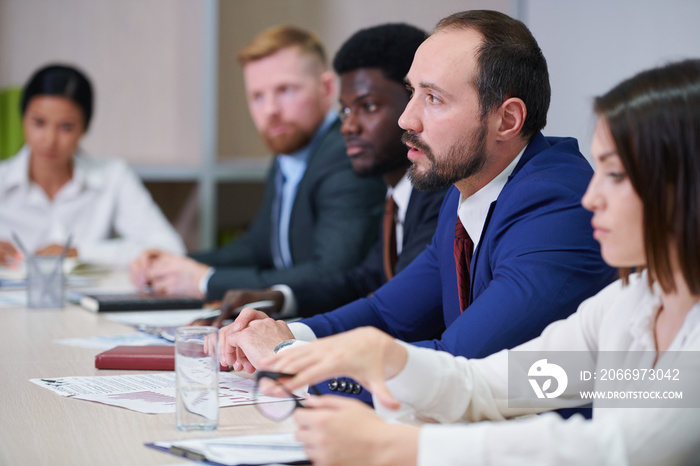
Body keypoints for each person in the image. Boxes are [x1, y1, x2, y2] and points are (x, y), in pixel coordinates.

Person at [260, 58, 700, 466]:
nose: (591, 197)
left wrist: (402, 448)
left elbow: (613, 448)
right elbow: (495, 386)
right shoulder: (632, 302)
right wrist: (387, 358)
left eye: (616, 175)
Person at [218, 10, 615, 374]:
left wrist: (288, 360)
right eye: (411, 93)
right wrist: (284, 333)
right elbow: (388, 313)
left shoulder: (558, 208)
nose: (407, 119)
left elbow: (457, 364)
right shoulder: (466, 192)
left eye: (434, 98)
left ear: (507, 120)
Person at [199, 23, 447, 326]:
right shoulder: (397, 196)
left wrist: (294, 338)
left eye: (368, 106)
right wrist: (279, 297)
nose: (348, 127)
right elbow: (362, 280)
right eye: (344, 112)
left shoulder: (439, 197)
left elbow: (399, 311)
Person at [129, 26, 386, 300]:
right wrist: (174, 263)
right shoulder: (287, 157)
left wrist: (205, 282)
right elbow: (257, 248)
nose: (271, 110)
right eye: (257, 96)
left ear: (327, 88)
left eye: (285, 90)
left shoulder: (345, 156)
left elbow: (331, 273)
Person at [0, 64, 184, 267]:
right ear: (23, 120)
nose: (49, 140)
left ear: (84, 129)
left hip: (94, 298)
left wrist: (81, 252)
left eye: (66, 127)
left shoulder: (113, 176)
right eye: (39, 123)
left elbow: (170, 249)